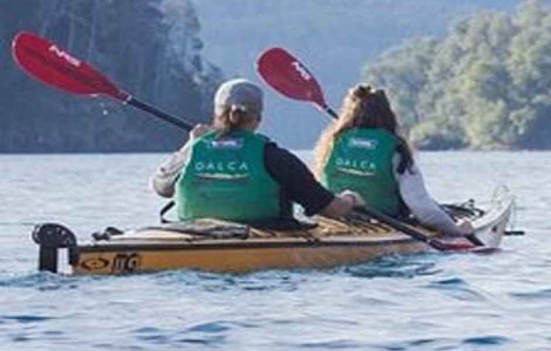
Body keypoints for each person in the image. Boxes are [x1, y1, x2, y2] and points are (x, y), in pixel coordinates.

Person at [152, 79, 364, 224]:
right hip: (264, 238)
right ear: (258, 119)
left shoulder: (192, 152)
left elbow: (161, 187)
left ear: (216, 113)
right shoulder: (275, 158)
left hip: (191, 237)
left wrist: (190, 145)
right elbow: (331, 210)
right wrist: (350, 199)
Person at [310, 84, 474, 238]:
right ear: (388, 114)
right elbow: (421, 207)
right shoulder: (395, 149)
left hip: (334, 222)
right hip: (383, 223)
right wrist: (457, 230)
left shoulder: (333, 142)